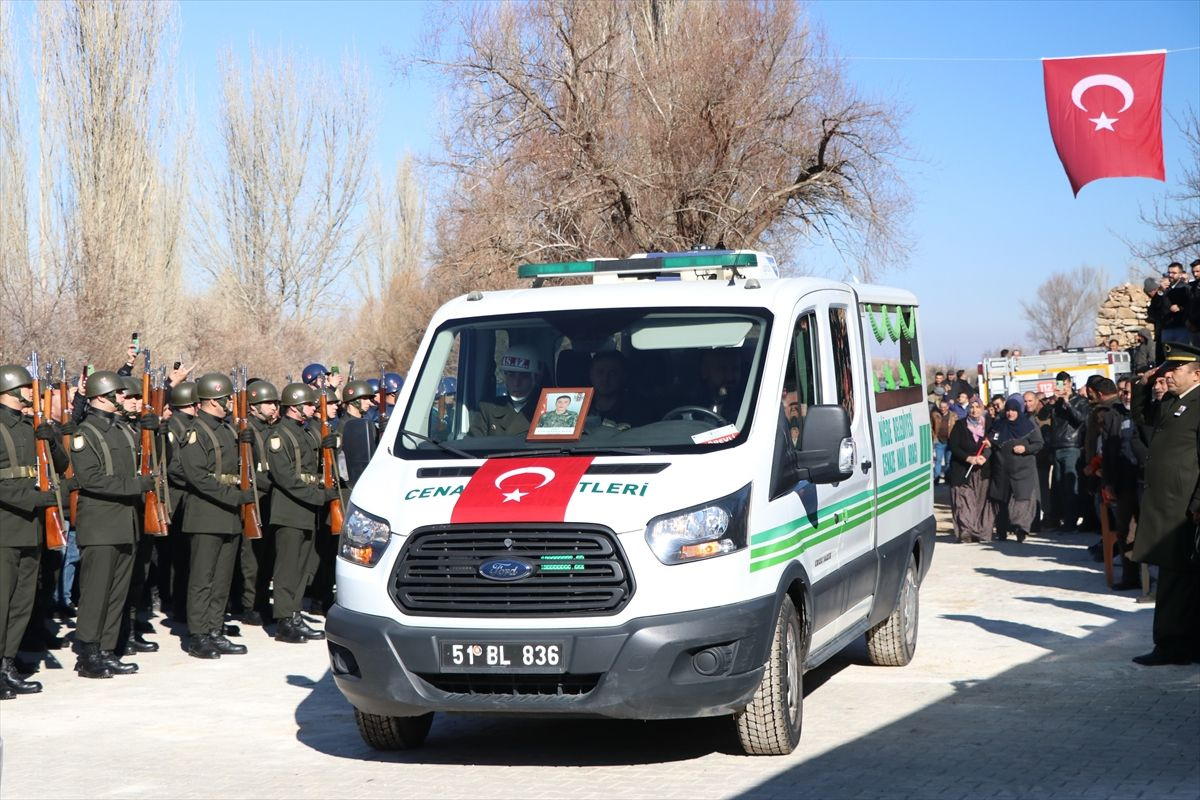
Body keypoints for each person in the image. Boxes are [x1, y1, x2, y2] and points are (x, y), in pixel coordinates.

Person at [71, 370, 151, 678]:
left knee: (118, 591)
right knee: (96, 592)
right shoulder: (85, 433)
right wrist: (137, 486)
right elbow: (91, 479)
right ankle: (89, 652)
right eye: (119, 395)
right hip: (101, 524)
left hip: (125, 523)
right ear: (102, 397)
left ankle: (107, 649)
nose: (124, 399)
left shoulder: (122, 430)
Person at [0, 364, 70, 698]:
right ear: (9, 389)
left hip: (31, 529)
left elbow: (59, 465)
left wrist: (50, 440)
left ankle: (7, 663)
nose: (32, 392)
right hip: (5, 530)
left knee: (22, 603)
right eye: (27, 387)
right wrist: (34, 499)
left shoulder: (32, 425)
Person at [1128, 343, 1200, 665]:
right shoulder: (1174, 402)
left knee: (1176, 578)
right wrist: (1142, 386)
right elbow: (1142, 415)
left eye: (1176, 370)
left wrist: (1198, 504)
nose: (1168, 375)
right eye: (1167, 369)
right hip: (1168, 504)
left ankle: (1171, 645)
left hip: (1184, 506)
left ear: (1197, 373)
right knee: (1176, 576)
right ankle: (1178, 644)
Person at [177, 374, 253, 659]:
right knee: (203, 577)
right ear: (212, 401)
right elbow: (197, 476)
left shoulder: (228, 429)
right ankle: (198, 635)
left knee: (222, 578)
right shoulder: (196, 431)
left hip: (228, 514)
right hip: (207, 513)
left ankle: (214, 630)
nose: (230, 403)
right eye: (226, 399)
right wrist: (233, 497)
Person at [266, 383, 333, 643]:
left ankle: (294, 615)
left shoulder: (306, 433)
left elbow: (313, 469)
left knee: (302, 567)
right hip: (289, 510)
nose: (312, 409)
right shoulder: (279, 435)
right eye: (308, 405)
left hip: (306, 510)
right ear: (294, 407)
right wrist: (317, 496)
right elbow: (285, 477)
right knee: (288, 568)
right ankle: (284, 620)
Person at [988, 394, 1044, 543]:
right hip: (1002, 469)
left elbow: (1039, 443)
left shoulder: (1028, 425)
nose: (1010, 413)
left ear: (1018, 411)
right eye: (1008, 410)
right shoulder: (999, 425)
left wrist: (1025, 448)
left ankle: (1021, 529)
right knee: (1001, 500)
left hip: (1022, 470)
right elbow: (992, 441)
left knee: (1022, 500)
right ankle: (1001, 531)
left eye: (1013, 410)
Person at [163, 381, 197, 623]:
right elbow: (174, 466)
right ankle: (177, 604)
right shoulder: (174, 427)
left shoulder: (191, 424)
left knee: (189, 556)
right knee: (179, 556)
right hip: (178, 496)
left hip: (191, 493)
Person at [1045, 371, 1088, 531]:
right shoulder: (1055, 403)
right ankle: (1061, 519)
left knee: (1071, 485)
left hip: (1072, 446)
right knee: (1059, 486)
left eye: (1063, 383)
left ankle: (1071, 521)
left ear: (1069, 383)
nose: (1060, 387)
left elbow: (1080, 420)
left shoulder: (1079, 401)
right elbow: (1045, 418)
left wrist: (1068, 401)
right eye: (1058, 384)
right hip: (1057, 447)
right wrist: (1052, 402)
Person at [470, 346, 545, 436]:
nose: (516, 383)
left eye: (524, 376)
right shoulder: (487, 409)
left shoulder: (546, 411)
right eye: (511, 375)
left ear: (536, 379)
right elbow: (472, 444)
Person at [947, 398, 993, 542]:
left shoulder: (989, 425)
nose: (974, 410)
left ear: (982, 408)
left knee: (981, 501)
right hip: (963, 468)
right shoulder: (960, 425)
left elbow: (994, 444)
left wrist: (985, 456)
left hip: (982, 469)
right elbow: (954, 447)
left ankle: (979, 531)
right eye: (971, 407)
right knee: (964, 500)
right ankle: (966, 531)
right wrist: (968, 458)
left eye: (977, 407)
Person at [339, 380, 378, 486]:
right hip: (350, 482)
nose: (370, 403)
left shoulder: (368, 424)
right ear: (353, 401)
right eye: (365, 399)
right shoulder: (342, 426)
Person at [698, 348, 743, 419]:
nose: (730, 377)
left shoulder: (749, 406)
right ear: (705, 371)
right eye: (723, 369)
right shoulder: (689, 401)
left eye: (735, 369)